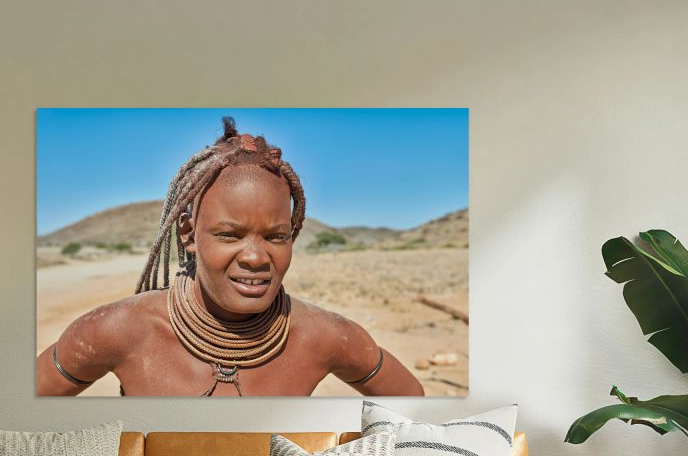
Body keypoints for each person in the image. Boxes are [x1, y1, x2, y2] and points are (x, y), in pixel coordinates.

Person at [36, 117, 424, 397]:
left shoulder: (325, 336)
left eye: (276, 236)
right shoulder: (117, 330)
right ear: (188, 234)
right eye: (229, 235)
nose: (256, 257)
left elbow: (414, 408)